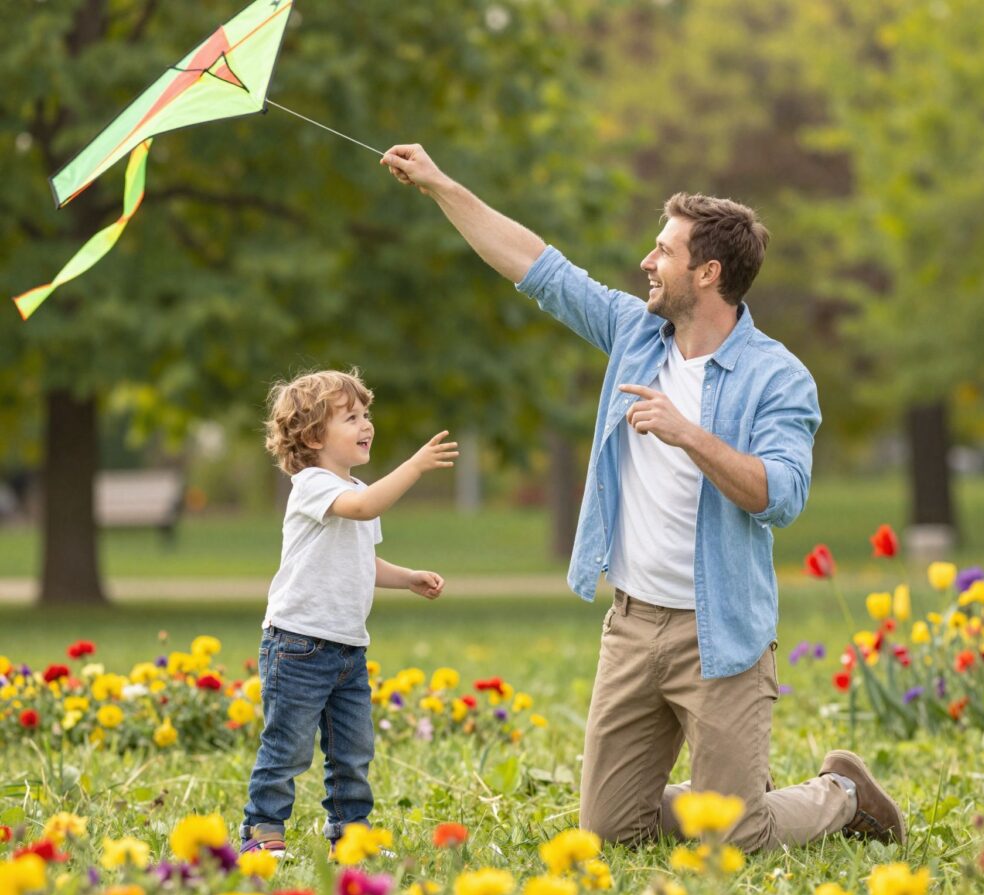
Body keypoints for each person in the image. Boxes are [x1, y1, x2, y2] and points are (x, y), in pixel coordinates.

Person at [380, 144, 905, 851]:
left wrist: (688, 434)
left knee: (733, 840)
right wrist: (441, 185)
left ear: (707, 272)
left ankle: (840, 793)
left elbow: (779, 496)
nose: (645, 262)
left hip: (719, 635)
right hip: (631, 626)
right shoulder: (635, 333)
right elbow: (537, 266)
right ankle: (732, 794)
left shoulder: (778, 378)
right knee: (608, 830)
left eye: (663, 251)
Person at [240, 369, 458, 857]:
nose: (367, 425)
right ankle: (263, 833)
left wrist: (408, 577)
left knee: (353, 752)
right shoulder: (313, 484)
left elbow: (362, 557)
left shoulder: (356, 489)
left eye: (366, 414)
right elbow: (360, 508)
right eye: (351, 417)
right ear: (315, 436)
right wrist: (415, 466)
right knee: (287, 748)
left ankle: (350, 833)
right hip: (297, 644)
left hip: (348, 648)